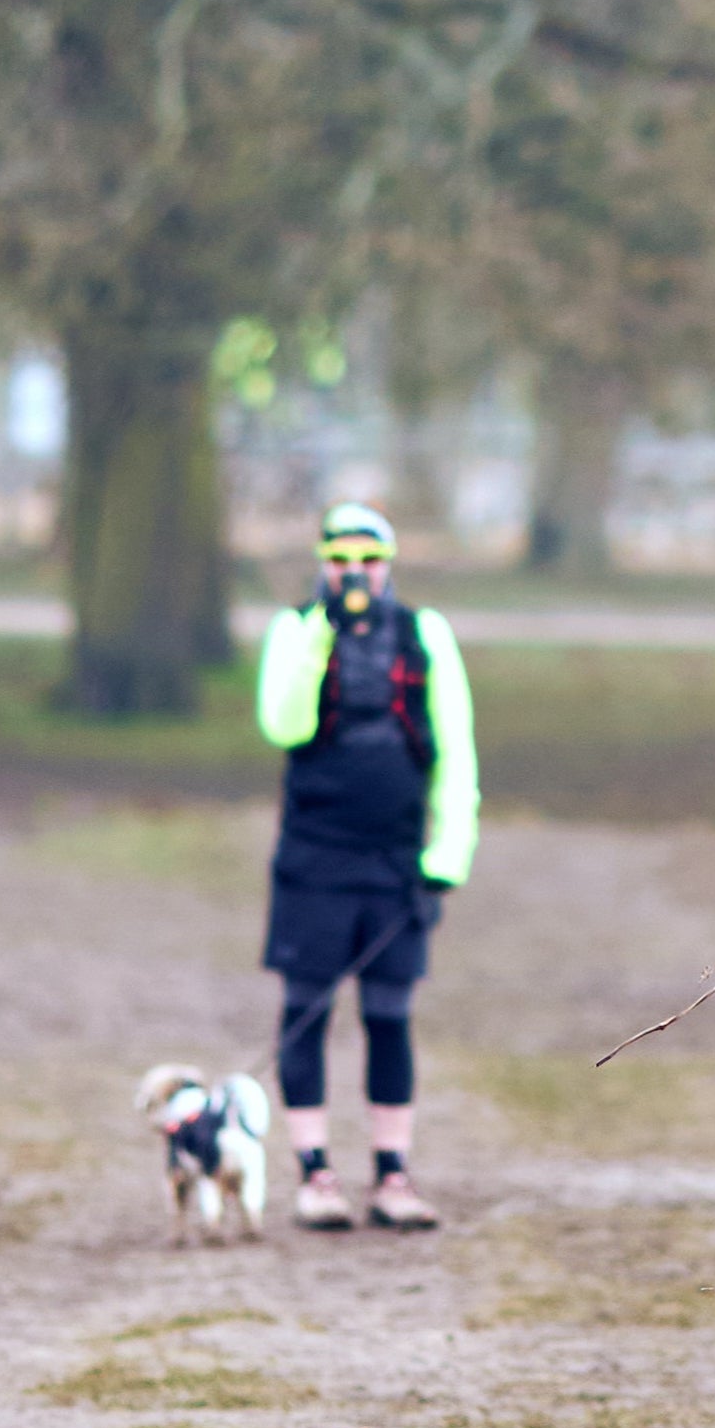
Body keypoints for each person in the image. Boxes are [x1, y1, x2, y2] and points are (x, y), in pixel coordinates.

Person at [254, 502, 478, 1230]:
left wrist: (447, 857)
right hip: (314, 858)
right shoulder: (293, 631)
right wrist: (320, 637)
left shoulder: (424, 635)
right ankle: (315, 1173)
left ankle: (392, 1173)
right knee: (306, 1010)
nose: (355, 574)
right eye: (341, 560)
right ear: (322, 563)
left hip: (396, 861)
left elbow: (456, 749)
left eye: (368, 560)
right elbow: (283, 723)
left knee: (389, 1014)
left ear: (389, 564)